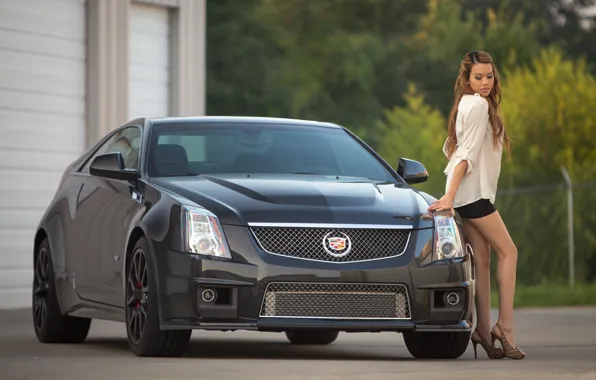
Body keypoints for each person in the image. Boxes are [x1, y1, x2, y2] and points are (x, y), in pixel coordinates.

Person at [428, 50, 525, 360]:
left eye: (489, 76)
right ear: (467, 79)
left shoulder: (466, 104)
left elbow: (452, 149)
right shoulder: (479, 105)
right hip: (473, 195)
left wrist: (452, 193)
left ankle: (483, 330)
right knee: (509, 252)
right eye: (478, 77)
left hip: (467, 193)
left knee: (481, 258)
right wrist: (450, 197)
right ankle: (504, 328)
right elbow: (464, 155)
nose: (485, 82)